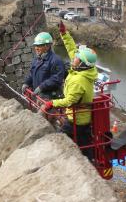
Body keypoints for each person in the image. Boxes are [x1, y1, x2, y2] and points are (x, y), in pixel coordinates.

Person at [42, 21, 98, 159]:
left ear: (83, 64)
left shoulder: (79, 81)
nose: (73, 60)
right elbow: (72, 49)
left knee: (62, 139)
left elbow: (69, 101)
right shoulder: (83, 71)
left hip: (76, 119)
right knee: (85, 142)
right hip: (82, 117)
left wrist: (52, 103)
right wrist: (64, 33)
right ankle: (90, 159)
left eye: (77, 60)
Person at [21, 32, 65, 99]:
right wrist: (27, 82)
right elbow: (32, 73)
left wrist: (42, 87)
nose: (36, 48)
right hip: (40, 96)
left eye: (39, 46)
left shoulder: (56, 60)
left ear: (47, 46)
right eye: (35, 46)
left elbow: (56, 79)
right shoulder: (36, 59)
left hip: (51, 97)